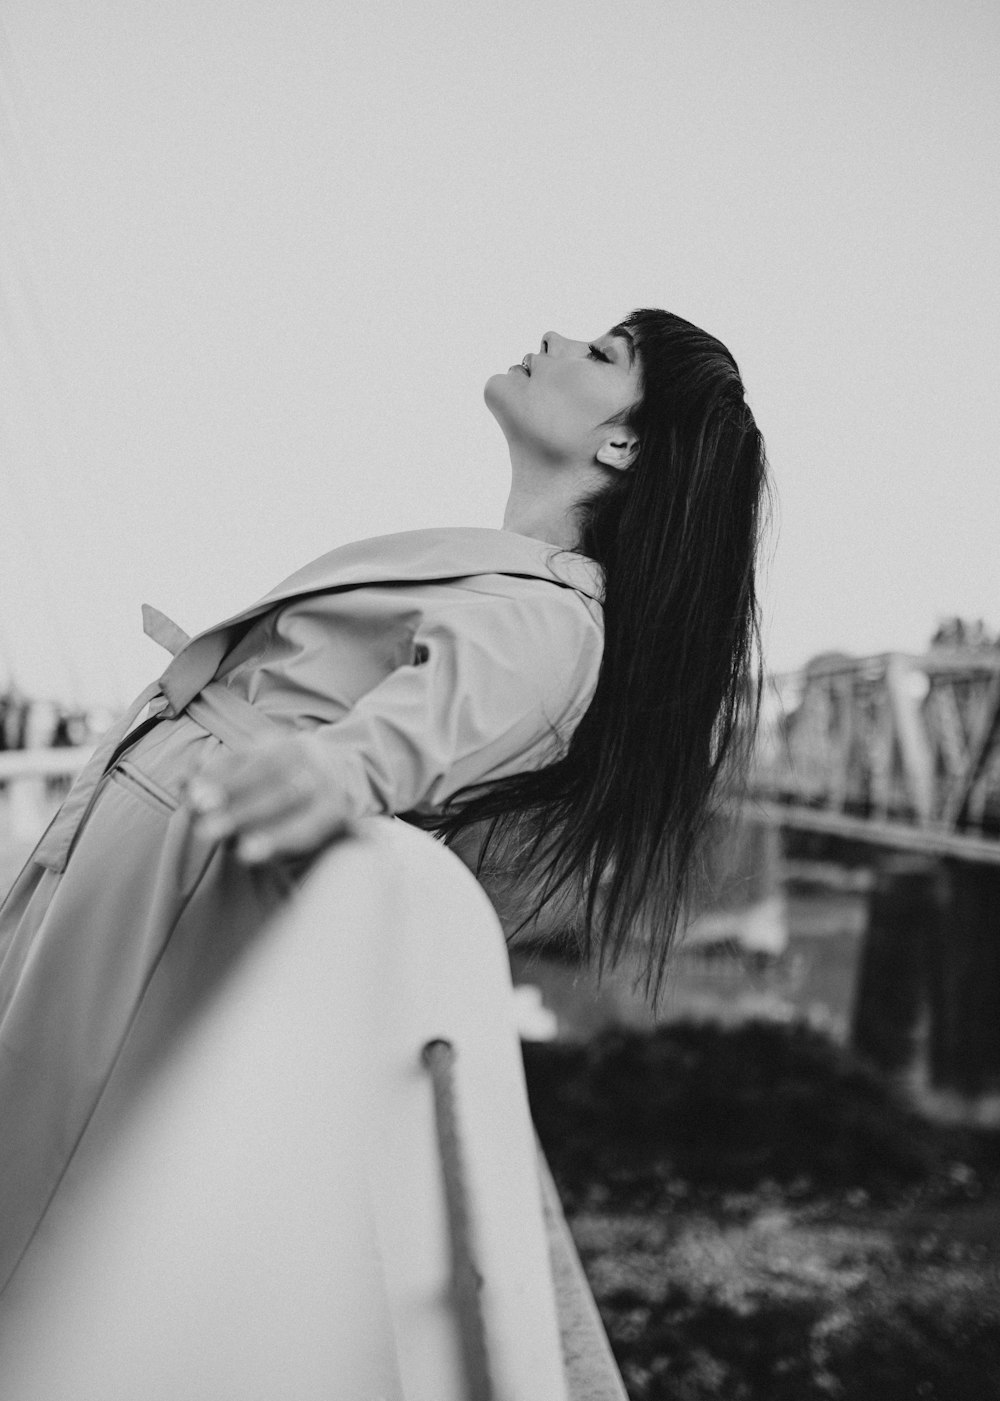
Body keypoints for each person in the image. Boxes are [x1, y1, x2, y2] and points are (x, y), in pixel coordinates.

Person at [0, 308, 768, 1292]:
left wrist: (324, 774)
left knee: (35, 1177)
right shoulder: (520, 585)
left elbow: (390, 751)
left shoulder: (553, 626)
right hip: (145, 854)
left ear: (622, 441)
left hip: (173, 877)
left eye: (604, 351)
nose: (555, 331)